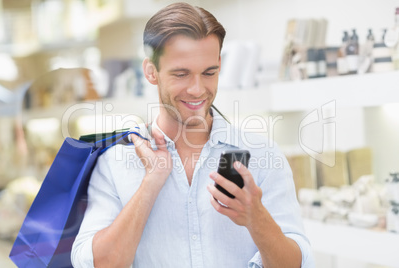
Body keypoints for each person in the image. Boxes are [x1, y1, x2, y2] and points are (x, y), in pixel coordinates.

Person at [71, 2, 314, 267]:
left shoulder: (262, 155)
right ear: (151, 71)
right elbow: (98, 264)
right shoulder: (115, 162)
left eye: (209, 72)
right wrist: (151, 183)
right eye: (181, 74)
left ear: (219, 65)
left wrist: (257, 219)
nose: (198, 90)